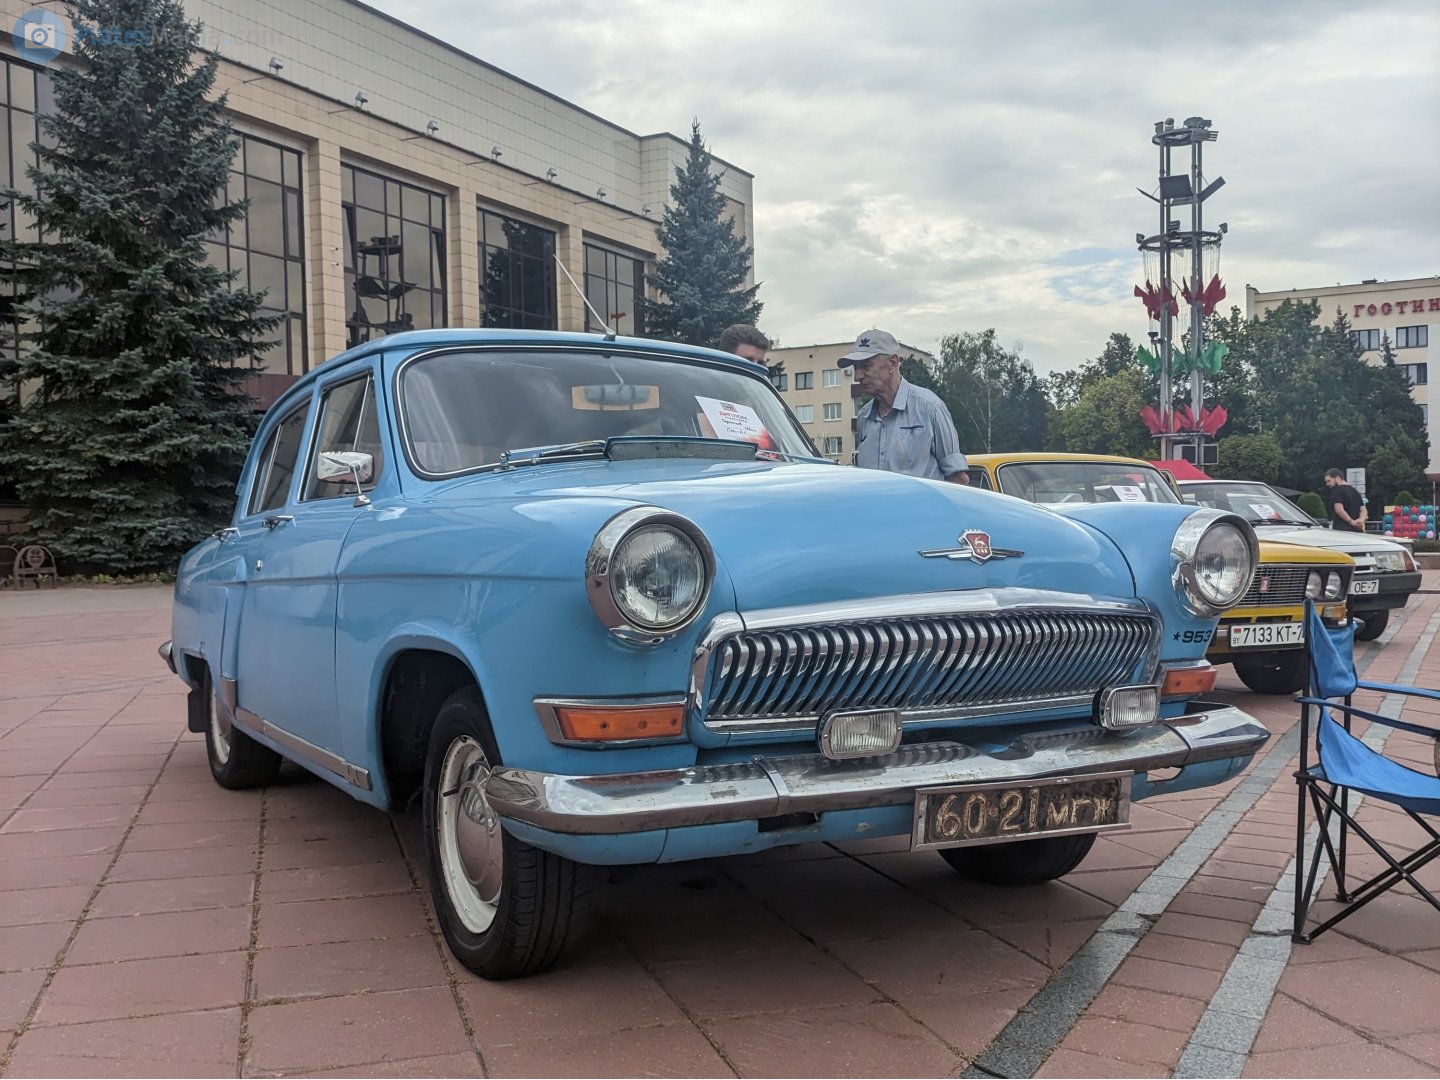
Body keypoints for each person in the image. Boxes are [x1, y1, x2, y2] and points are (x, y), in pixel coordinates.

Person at [840, 329, 969, 484]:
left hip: (924, 501)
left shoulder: (930, 407)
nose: (857, 376)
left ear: (893, 363)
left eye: (866, 367)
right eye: (855, 368)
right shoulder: (864, 417)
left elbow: (957, 480)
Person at [1324, 468, 1367, 532]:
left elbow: (1339, 510)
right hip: (1357, 531)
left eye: (1329, 481)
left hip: (1342, 530)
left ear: (1337, 478)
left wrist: (1352, 522)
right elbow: (1363, 510)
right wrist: (1360, 521)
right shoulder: (1355, 491)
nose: (1327, 484)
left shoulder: (1336, 491)